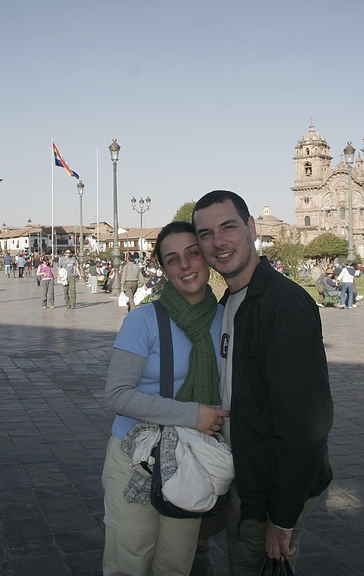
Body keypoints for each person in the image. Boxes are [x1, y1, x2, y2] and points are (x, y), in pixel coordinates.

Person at [192, 191, 333, 575]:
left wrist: (283, 516)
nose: (218, 242)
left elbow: (307, 422)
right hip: (247, 475)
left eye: (228, 227)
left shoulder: (283, 304)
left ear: (251, 228)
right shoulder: (231, 303)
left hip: (270, 485)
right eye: (205, 234)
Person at [101, 221, 228, 575]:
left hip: (192, 457)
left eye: (192, 253)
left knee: (175, 563)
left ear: (205, 257)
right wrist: (191, 414)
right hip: (135, 455)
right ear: (163, 268)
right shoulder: (142, 321)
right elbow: (117, 394)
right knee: (129, 559)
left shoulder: (226, 319)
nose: (185, 265)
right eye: (173, 259)